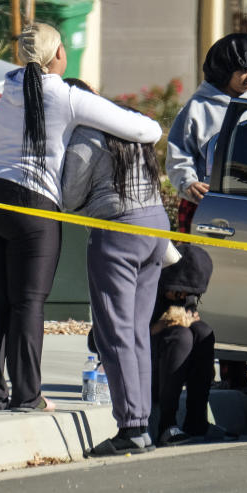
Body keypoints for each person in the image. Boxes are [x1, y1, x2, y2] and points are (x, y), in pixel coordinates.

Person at [0, 23, 162, 412]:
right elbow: (147, 129)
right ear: (59, 54)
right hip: (33, 203)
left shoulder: (9, 85)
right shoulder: (67, 95)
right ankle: (27, 395)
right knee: (28, 302)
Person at [165, 33, 247, 401]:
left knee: (245, 289)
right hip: (209, 211)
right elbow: (178, 157)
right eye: (242, 70)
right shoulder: (198, 109)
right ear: (223, 70)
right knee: (201, 290)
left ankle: (237, 373)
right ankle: (199, 369)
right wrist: (188, 182)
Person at [60, 82, 169, 455]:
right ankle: (143, 424)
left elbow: (69, 196)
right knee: (138, 331)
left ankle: (130, 429)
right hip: (156, 225)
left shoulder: (86, 133)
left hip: (118, 231)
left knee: (115, 332)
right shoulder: (129, 123)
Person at [150, 243, 217, 446]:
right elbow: (99, 339)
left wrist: (185, 317)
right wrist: (161, 324)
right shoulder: (146, 284)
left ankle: (197, 421)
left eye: (188, 295)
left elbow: (188, 319)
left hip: (169, 368)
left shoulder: (185, 296)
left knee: (203, 333)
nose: (182, 298)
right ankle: (167, 424)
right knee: (181, 337)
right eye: (178, 293)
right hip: (142, 370)